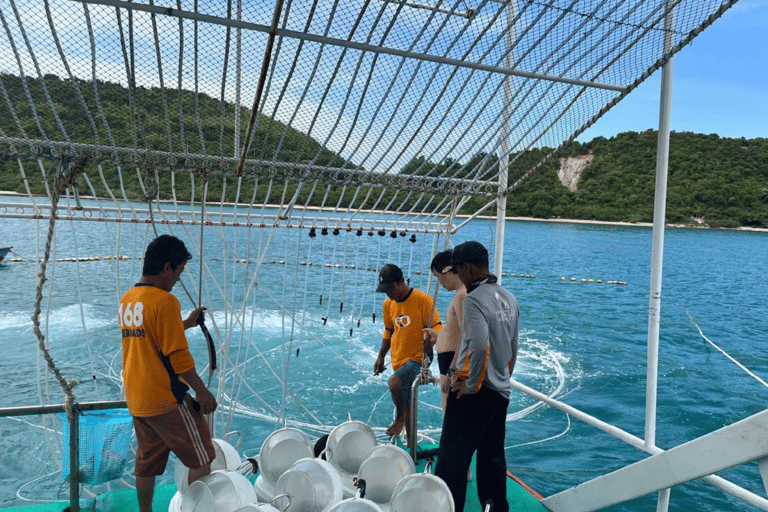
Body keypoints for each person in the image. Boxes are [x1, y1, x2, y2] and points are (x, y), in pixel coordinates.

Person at [120, 234, 218, 512]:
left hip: (139, 400)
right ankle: (190, 508)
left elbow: (150, 339)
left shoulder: (129, 300)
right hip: (166, 400)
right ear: (166, 268)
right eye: (179, 271)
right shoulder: (165, 302)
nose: (178, 279)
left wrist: (185, 323)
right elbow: (177, 356)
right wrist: (201, 390)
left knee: (147, 464)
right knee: (202, 458)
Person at [434, 241, 519, 512]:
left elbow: (479, 345)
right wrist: (502, 379)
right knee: (492, 459)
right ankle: (494, 507)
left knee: (451, 462)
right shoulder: (508, 297)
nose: (458, 277)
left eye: (458, 271)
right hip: (500, 392)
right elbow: (514, 347)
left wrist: (471, 385)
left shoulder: (472, 300)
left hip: (474, 393)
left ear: (468, 268)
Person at [373, 263, 442, 444]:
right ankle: (412, 448)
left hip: (420, 357)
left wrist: (433, 336)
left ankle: (399, 419)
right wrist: (381, 356)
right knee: (408, 400)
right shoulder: (388, 304)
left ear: (402, 281)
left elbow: (437, 325)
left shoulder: (422, 299)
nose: (389, 294)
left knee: (394, 382)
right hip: (399, 359)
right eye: (385, 290)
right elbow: (389, 331)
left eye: (390, 288)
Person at [422, 250, 467, 411]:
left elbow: (466, 335)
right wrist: (438, 337)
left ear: (447, 271)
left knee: (451, 417)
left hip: (452, 363)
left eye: (438, 276)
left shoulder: (462, 296)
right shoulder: (459, 295)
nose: (439, 282)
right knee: (448, 414)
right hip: (449, 360)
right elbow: (457, 332)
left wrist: (451, 371)